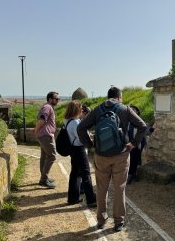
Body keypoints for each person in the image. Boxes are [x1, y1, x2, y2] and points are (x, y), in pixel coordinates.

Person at [77, 87, 147, 232]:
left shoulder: (97, 109)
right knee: (119, 189)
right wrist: (133, 144)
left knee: (102, 189)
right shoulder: (125, 109)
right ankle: (118, 222)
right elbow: (143, 126)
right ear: (119, 97)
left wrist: (90, 145)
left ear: (108, 96)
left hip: (101, 155)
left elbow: (81, 128)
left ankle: (101, 221)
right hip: (121, 155)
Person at [63, 100, 96, 207]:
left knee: (75, 174)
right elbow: (82, 138)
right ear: (76, 109)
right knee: (86, 174)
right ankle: (91, 199)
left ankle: (73, 198)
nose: (82, 110)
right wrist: (91, 142)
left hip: (73, 149)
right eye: (81, 108)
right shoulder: (76, 123)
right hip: (79, 150)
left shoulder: (67, 121)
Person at [34, 91, 60, 189]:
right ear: (50, 99)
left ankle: (43, 177)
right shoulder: (47, 107)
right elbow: (41, 119)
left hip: (43, 134)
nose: (57, 100)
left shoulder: (48, 107)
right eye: (56, 98)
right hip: (46, 135)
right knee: (52, 156)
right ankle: (43, 179)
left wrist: (36, 131)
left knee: (44, 157)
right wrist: (36, 130)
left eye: (58, 99)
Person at [127, 105, 154, 185]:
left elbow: (147, 131)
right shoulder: (126, 121)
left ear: (137, 112)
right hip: (127, 145)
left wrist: (153, 129)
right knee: (129, 160)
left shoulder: (140, 121)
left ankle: (131, 175)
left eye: (134, 110)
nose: (132, 111)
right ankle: (132, 174)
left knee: (135, 159)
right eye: (131, 110)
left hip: (137, 145)